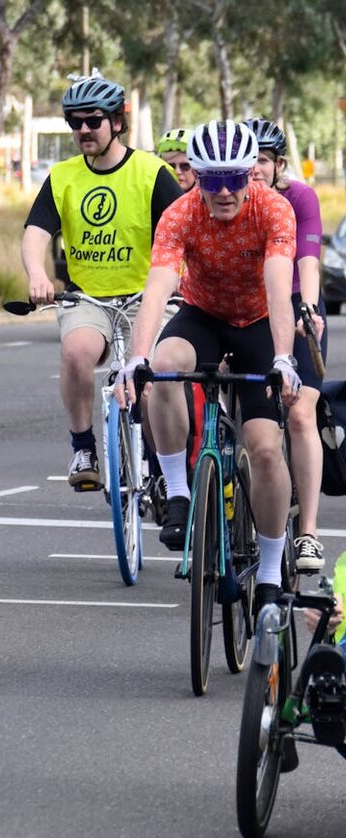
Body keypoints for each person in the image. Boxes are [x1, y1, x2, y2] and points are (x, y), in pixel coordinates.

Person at [114, 118, 301, 611]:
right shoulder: (179, 214)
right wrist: (136, 359)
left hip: (259, 324)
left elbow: (280, 287)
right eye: (211, 178)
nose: (223, 191)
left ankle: (267, 569)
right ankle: (178, 492)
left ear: (251, 176)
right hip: (203, 316)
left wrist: (283, 356)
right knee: (164, 364)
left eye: (235, 178)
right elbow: (157, 289)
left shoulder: (273, 210)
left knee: (264, 449)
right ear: (195, 174)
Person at [21, 71, 182, 491]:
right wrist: (37, 273)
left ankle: (166, 472)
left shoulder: (151, 172)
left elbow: (185, 233)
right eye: (74, 122)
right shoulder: (63, 177)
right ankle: (83, 448)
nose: (83, 130)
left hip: (148, 299)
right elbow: (36, 232)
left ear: (117, 122)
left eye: (92, 120)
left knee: (148, 388)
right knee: (76, 352)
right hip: (89, 299)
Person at [245, 118, 327, 573]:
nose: (253, 169)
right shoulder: (229, 196)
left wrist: (309, 308)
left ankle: (309, 533)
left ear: (278, 164)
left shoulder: (300, 198)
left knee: (299, 414)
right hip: (249, 310)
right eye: (248, 159)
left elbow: (308, 259)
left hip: (296, 306)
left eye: (262, 160)